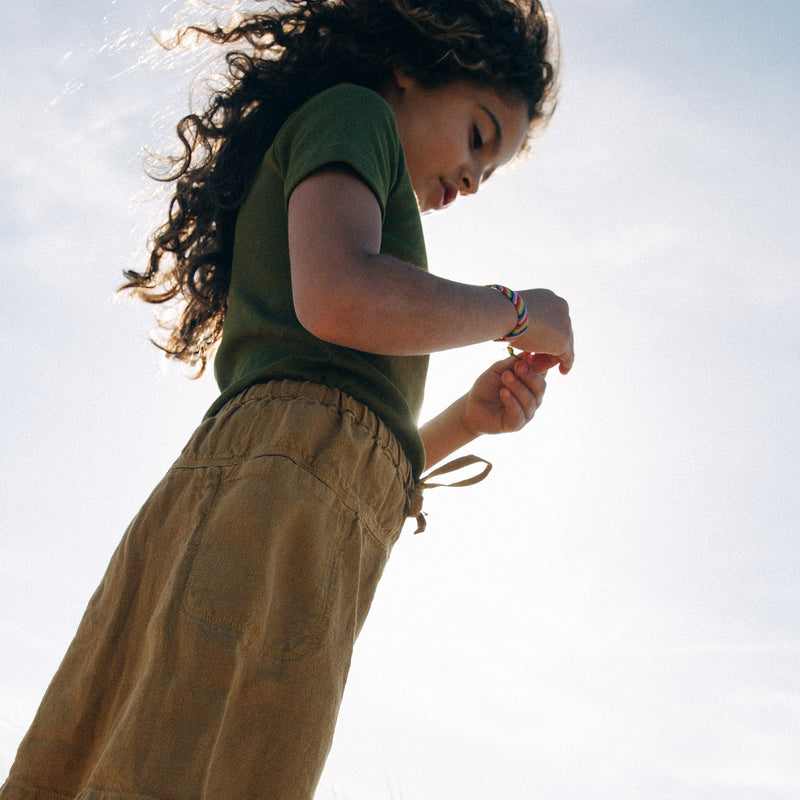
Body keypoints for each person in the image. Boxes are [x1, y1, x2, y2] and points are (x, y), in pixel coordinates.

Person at [1, 0, 573, 798]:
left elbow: (345, 455)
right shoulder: (356, 113)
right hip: (263, 504)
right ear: (412, 69)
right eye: (480, 136)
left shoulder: (369, 167)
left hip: (281, 508)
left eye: (493, 170)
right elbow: (339, 298)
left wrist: (467, 421)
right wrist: (516, 309)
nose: (476, 178)